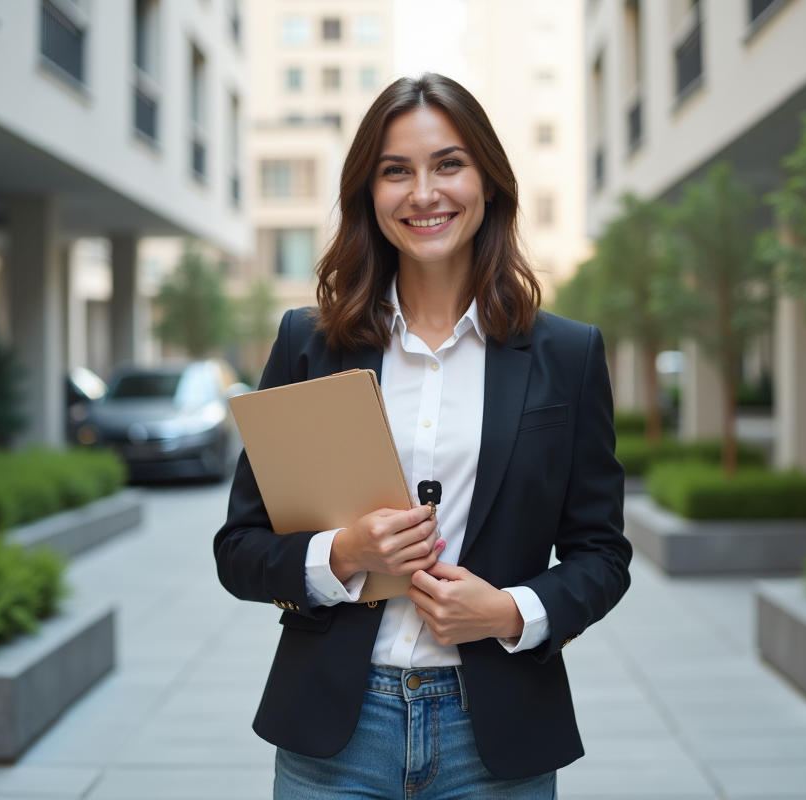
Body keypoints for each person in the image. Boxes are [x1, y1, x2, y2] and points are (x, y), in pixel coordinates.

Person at [214, 73, 630, 799]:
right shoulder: (309, 343)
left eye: (448, 164)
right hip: (336, 737)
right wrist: (343, 554)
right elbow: (240, 550)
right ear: (368, 196)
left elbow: (602, 553)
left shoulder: (568, 355)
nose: (423, 193)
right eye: (395, 171)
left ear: (489, 182)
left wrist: (511, 611)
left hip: (496, 737)